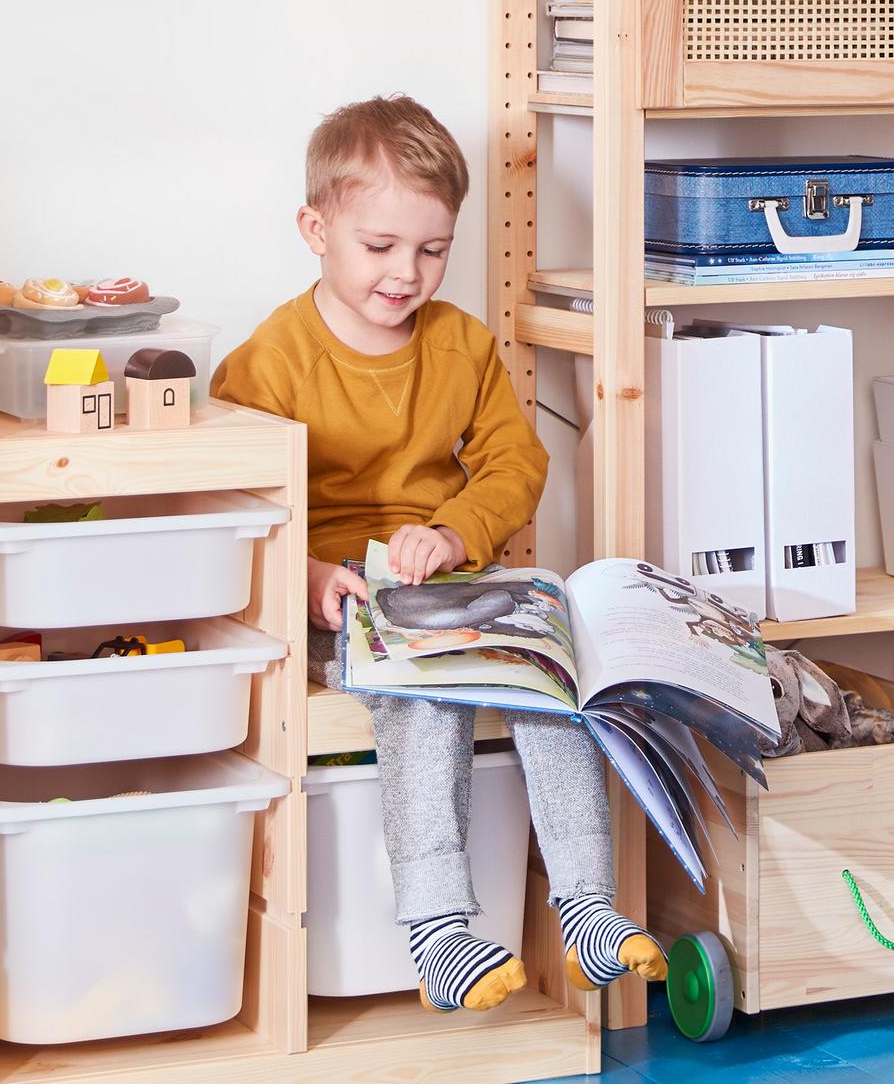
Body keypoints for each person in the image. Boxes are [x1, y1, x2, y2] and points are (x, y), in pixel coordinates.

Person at [213, 94, 667, 1014]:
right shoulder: (268, 361)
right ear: (317, 229)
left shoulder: (461, 344)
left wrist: (457, 530)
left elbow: (516, 461)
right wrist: (301, 576)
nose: (406, 272)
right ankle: (438, 926)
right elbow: (237, 502)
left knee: (553, 673)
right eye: (379, 247)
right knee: (425, 694)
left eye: (432, 249)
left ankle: (585, 906)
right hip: (342, 603)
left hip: (449, 587)